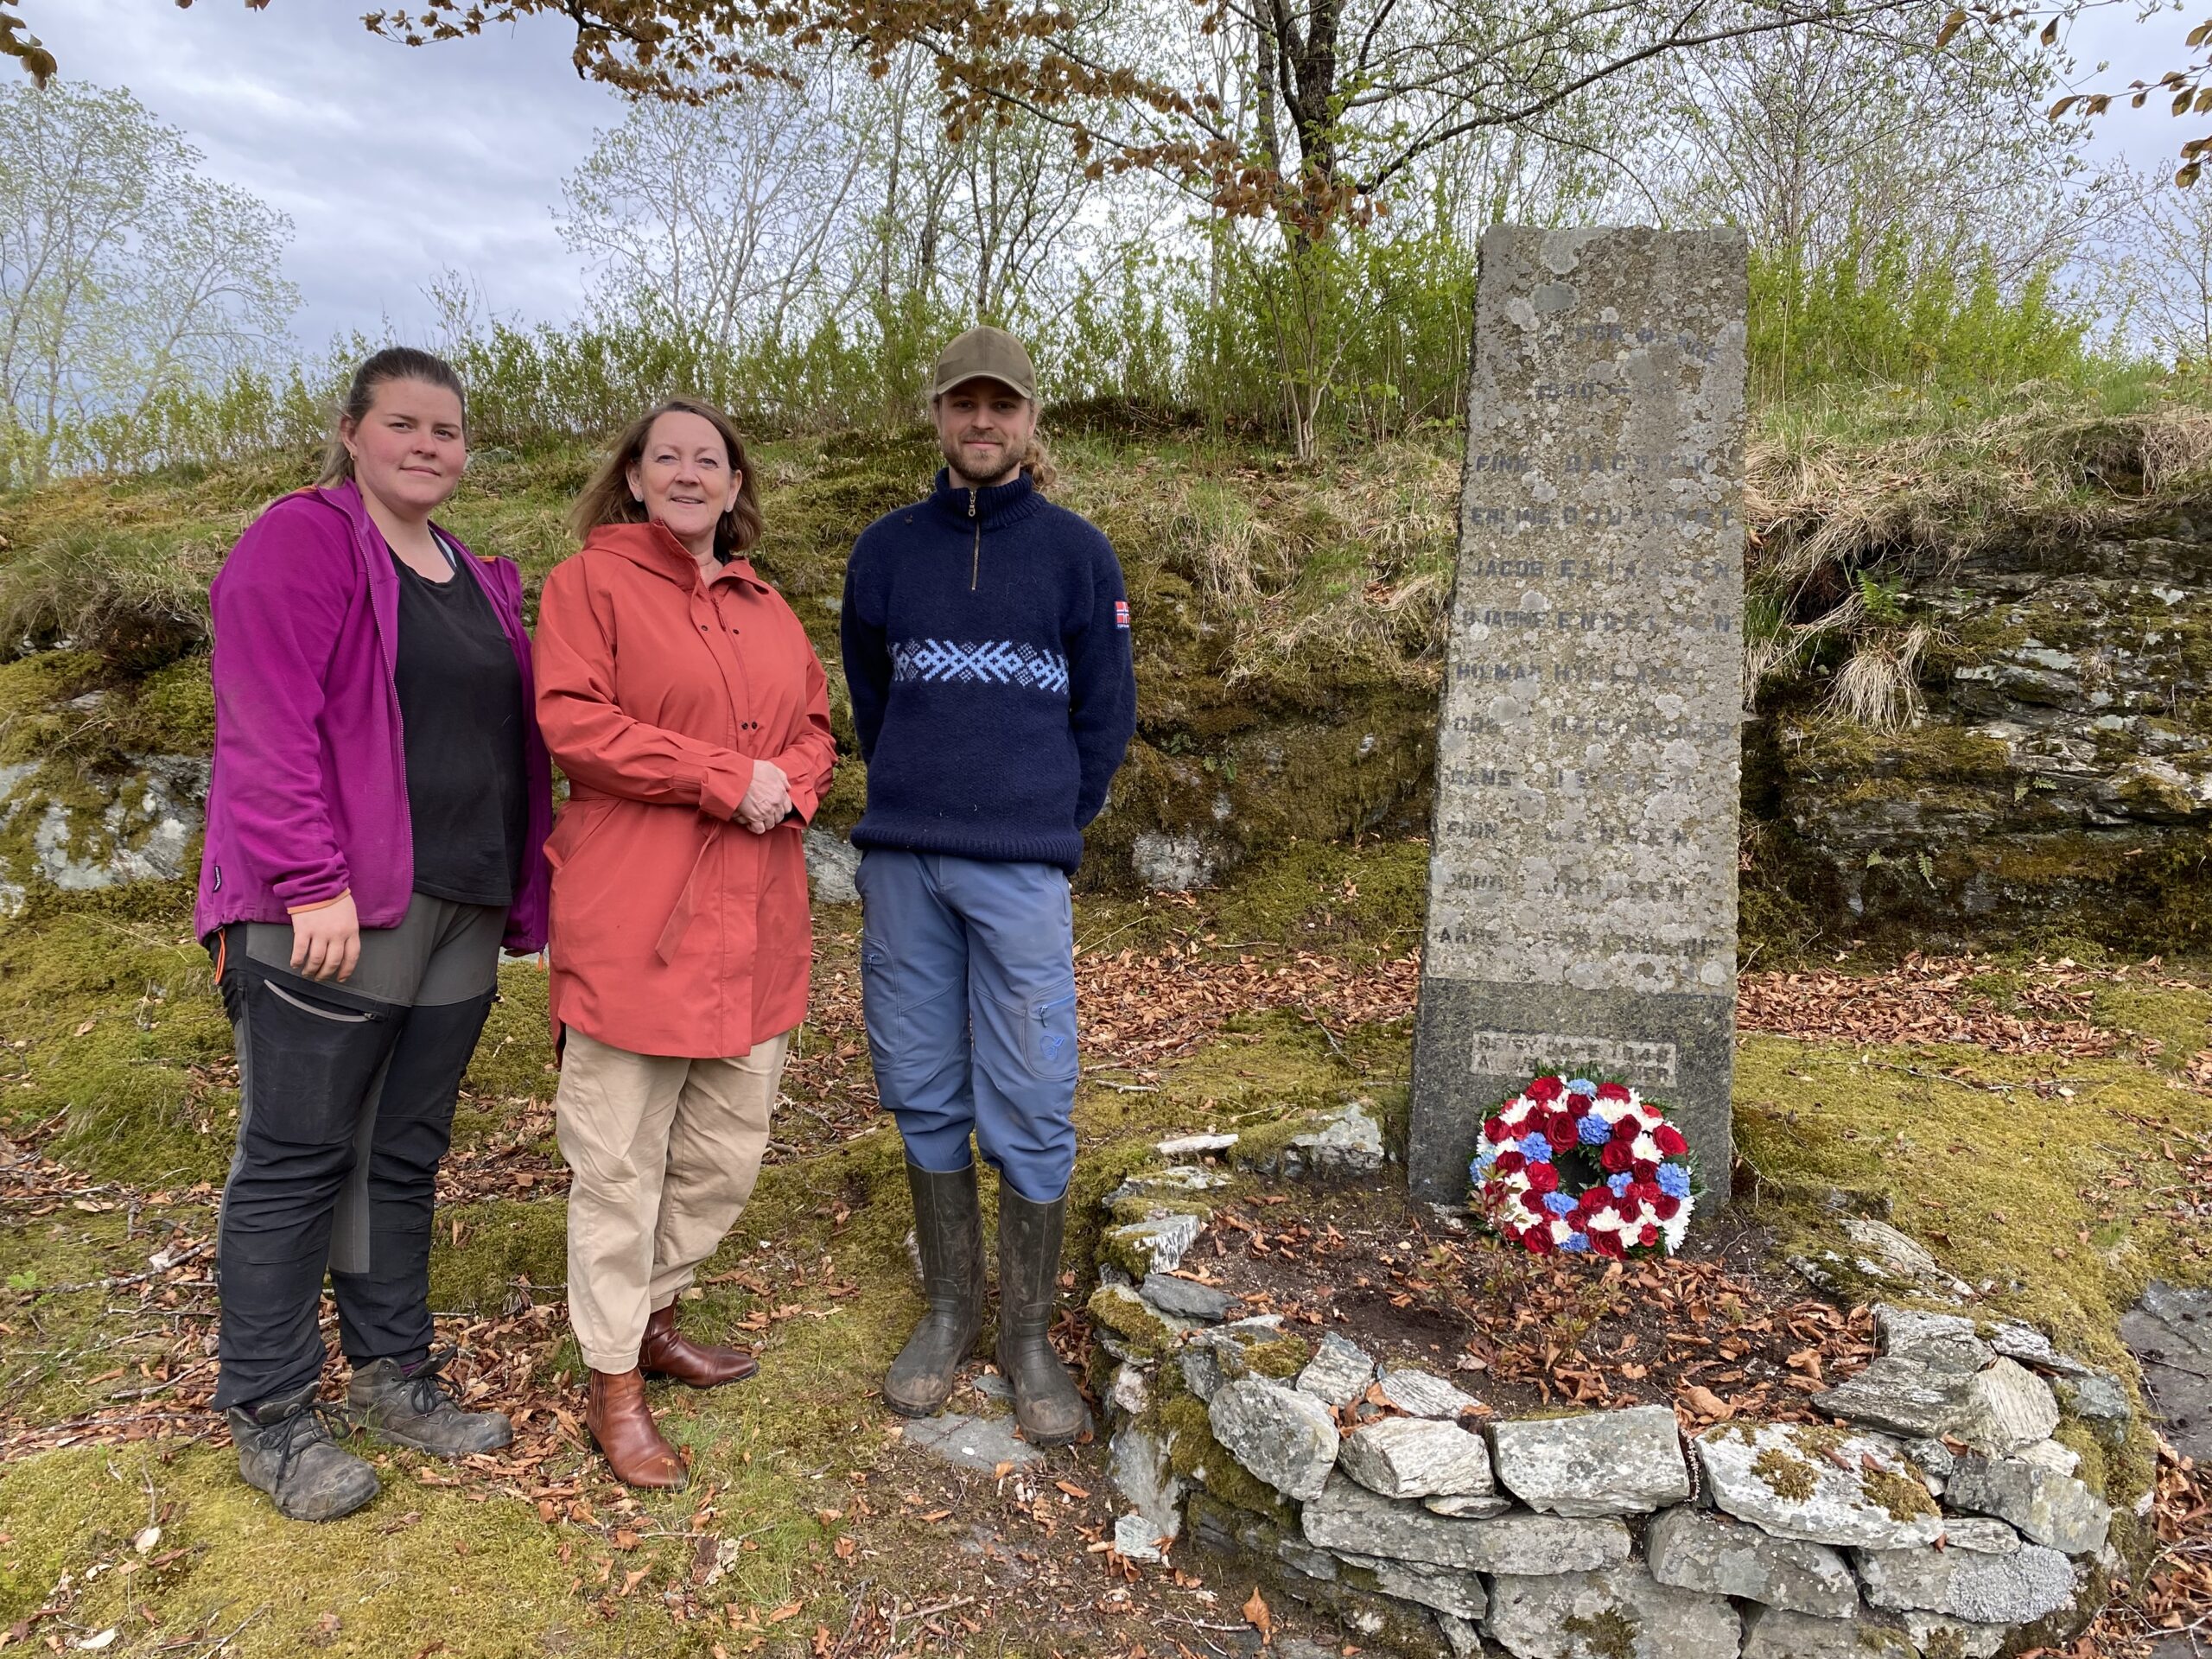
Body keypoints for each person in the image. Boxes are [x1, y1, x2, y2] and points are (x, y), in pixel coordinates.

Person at [194, 346, 553, 1522]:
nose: (428, 445)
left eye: (448, 430)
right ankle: (271, 1413)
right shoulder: (300, 541)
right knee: (297, 1155)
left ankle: (396, 1375)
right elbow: (265, 720)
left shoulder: (474, 575)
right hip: (334, 910)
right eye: (404, 423)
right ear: (352, 431)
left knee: (401, 1154)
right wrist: (308, 882)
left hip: (459, 904)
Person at [840, 327, 1137, 1444]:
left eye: (1000, 406)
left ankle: (1026, 1335)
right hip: (905, 861)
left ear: (1029, 421)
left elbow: (1107, 713)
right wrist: (918, 793)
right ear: (936, 416)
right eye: (963, 404)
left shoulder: (1078, 555)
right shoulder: (885, 552)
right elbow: (874, 694)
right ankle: (953, 1307)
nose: (981, 422)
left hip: (1021, 867)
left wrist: (1052, 818)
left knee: (1031, 1089)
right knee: (921, 1078)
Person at [535, 398, 836, 1491]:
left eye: (708, 459)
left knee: (722, 1155)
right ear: (632, 477)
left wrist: (791, 782)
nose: (688, 473)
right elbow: (575, 722)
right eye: (667, 456)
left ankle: (656, 1317)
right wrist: (725, 778)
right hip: (635, 922)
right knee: (617, 1163)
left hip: (753, 925)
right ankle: (613, 1380)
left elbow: (813, 729)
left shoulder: (768, 607)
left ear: (734, 483)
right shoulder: (589, 586)